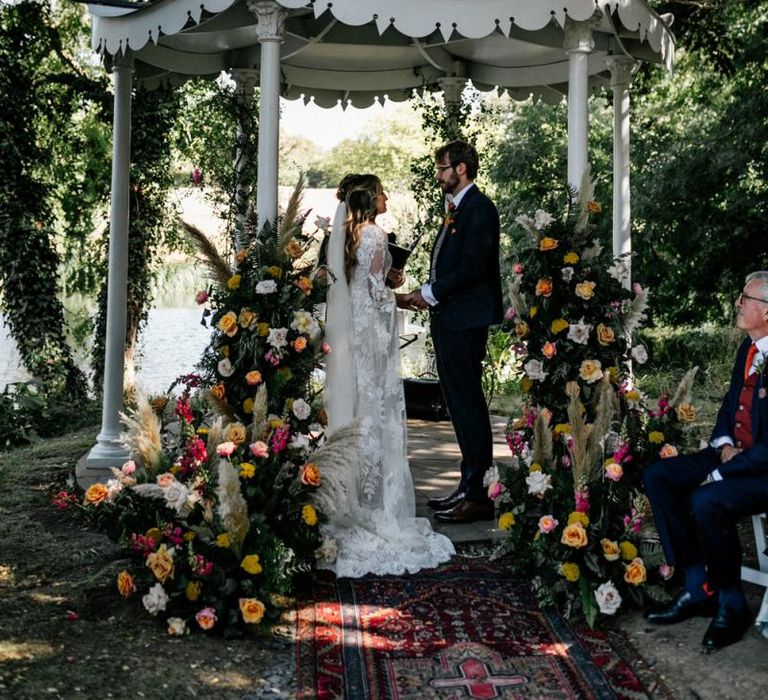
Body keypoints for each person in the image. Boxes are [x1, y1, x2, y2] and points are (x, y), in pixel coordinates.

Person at [321, 173, 455, 577]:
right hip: (374, 337)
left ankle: (348, 494)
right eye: (382, 192)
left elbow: (351, 286)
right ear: (369, 199)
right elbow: (377, 293)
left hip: (350, 338)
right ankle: (378, 503)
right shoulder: (377, 236)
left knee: (356, 410)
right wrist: (402, 295)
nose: (386, 197)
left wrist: (383, 282)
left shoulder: (343, 236)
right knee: (377, 414)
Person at [642, 271, 768, 650]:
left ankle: (732, 601)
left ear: (767, 312)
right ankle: (697, 586)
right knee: (660, 475)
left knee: (707, 499)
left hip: (762, 470)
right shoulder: (747, 349)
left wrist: (721, 471)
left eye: (745, 298)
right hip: (733, 456)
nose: (738, 303)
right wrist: (724, 443)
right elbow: (731, 404)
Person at [400, 141, 503, 524]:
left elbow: (474, 267)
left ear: (461, 169)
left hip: (465, 320)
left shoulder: (479, 209)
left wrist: (428, 294)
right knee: (458, 405)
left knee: (468, 404)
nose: (439, 176)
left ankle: (477, 495)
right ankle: (467, 487)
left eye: (443, 169)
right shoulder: (458, 209)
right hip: (451, 318)